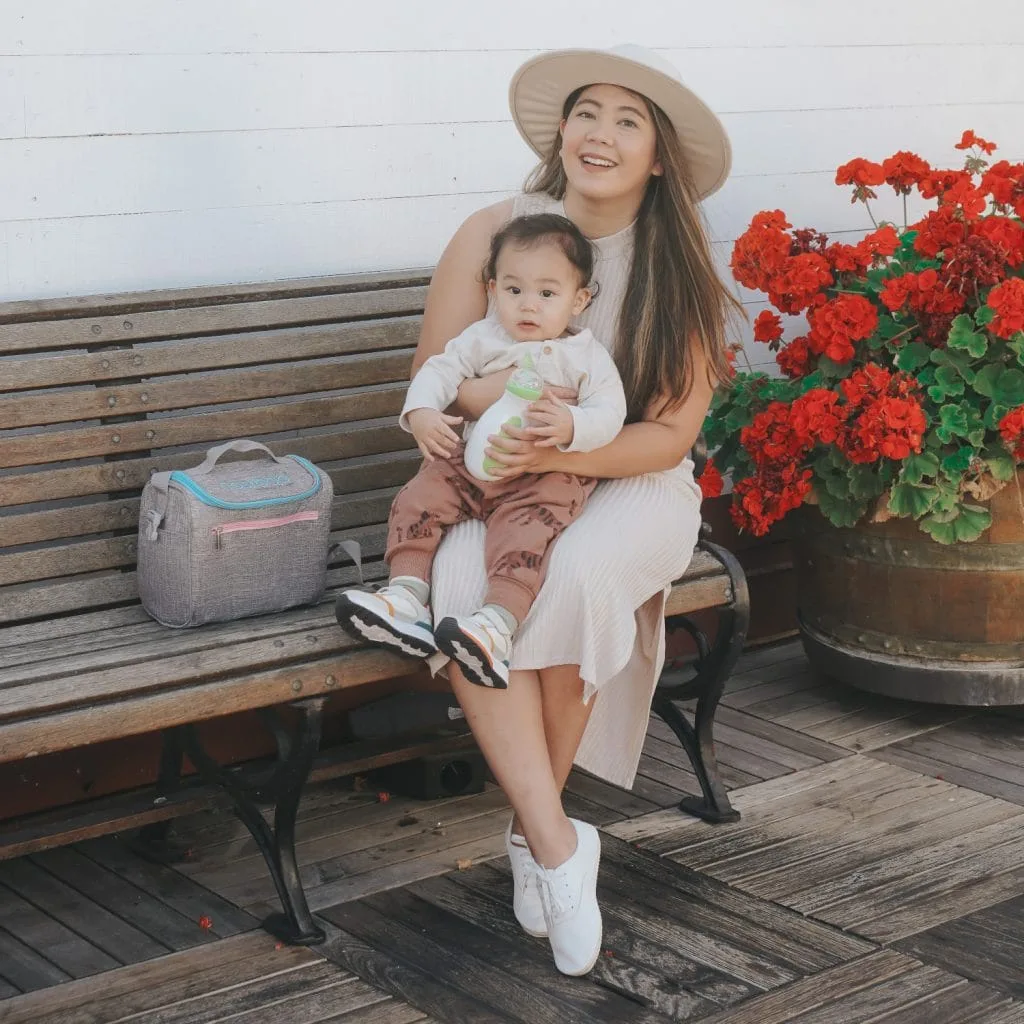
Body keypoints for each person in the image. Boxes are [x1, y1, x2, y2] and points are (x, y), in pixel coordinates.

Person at [403, 44, 738, 976]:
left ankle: (528, 834)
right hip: (506, 470)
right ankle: (556, 845)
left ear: (659, 155)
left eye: (629, 121)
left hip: (633, 479)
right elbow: (439, 374)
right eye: (588, 112)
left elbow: (668, 436)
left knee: (581, 572)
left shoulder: (678, 267)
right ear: (562, 130)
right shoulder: (494, 234)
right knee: (467, 581)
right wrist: (517, 425)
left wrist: (570, 442)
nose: (601, 134)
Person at [335, 213, 626, 690]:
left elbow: (610, 413)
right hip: (468, 463)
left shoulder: (585, 357)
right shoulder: (482, 339)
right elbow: (438, 371)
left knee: (525, 536)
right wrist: (424, 411)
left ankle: (496, 625)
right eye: (514, 290)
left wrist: (572, 423)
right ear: (493, 289)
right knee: (419, 495)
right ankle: (406, 595)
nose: (527, 305)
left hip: (541, 479)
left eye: (547, 294)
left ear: (580, 300)